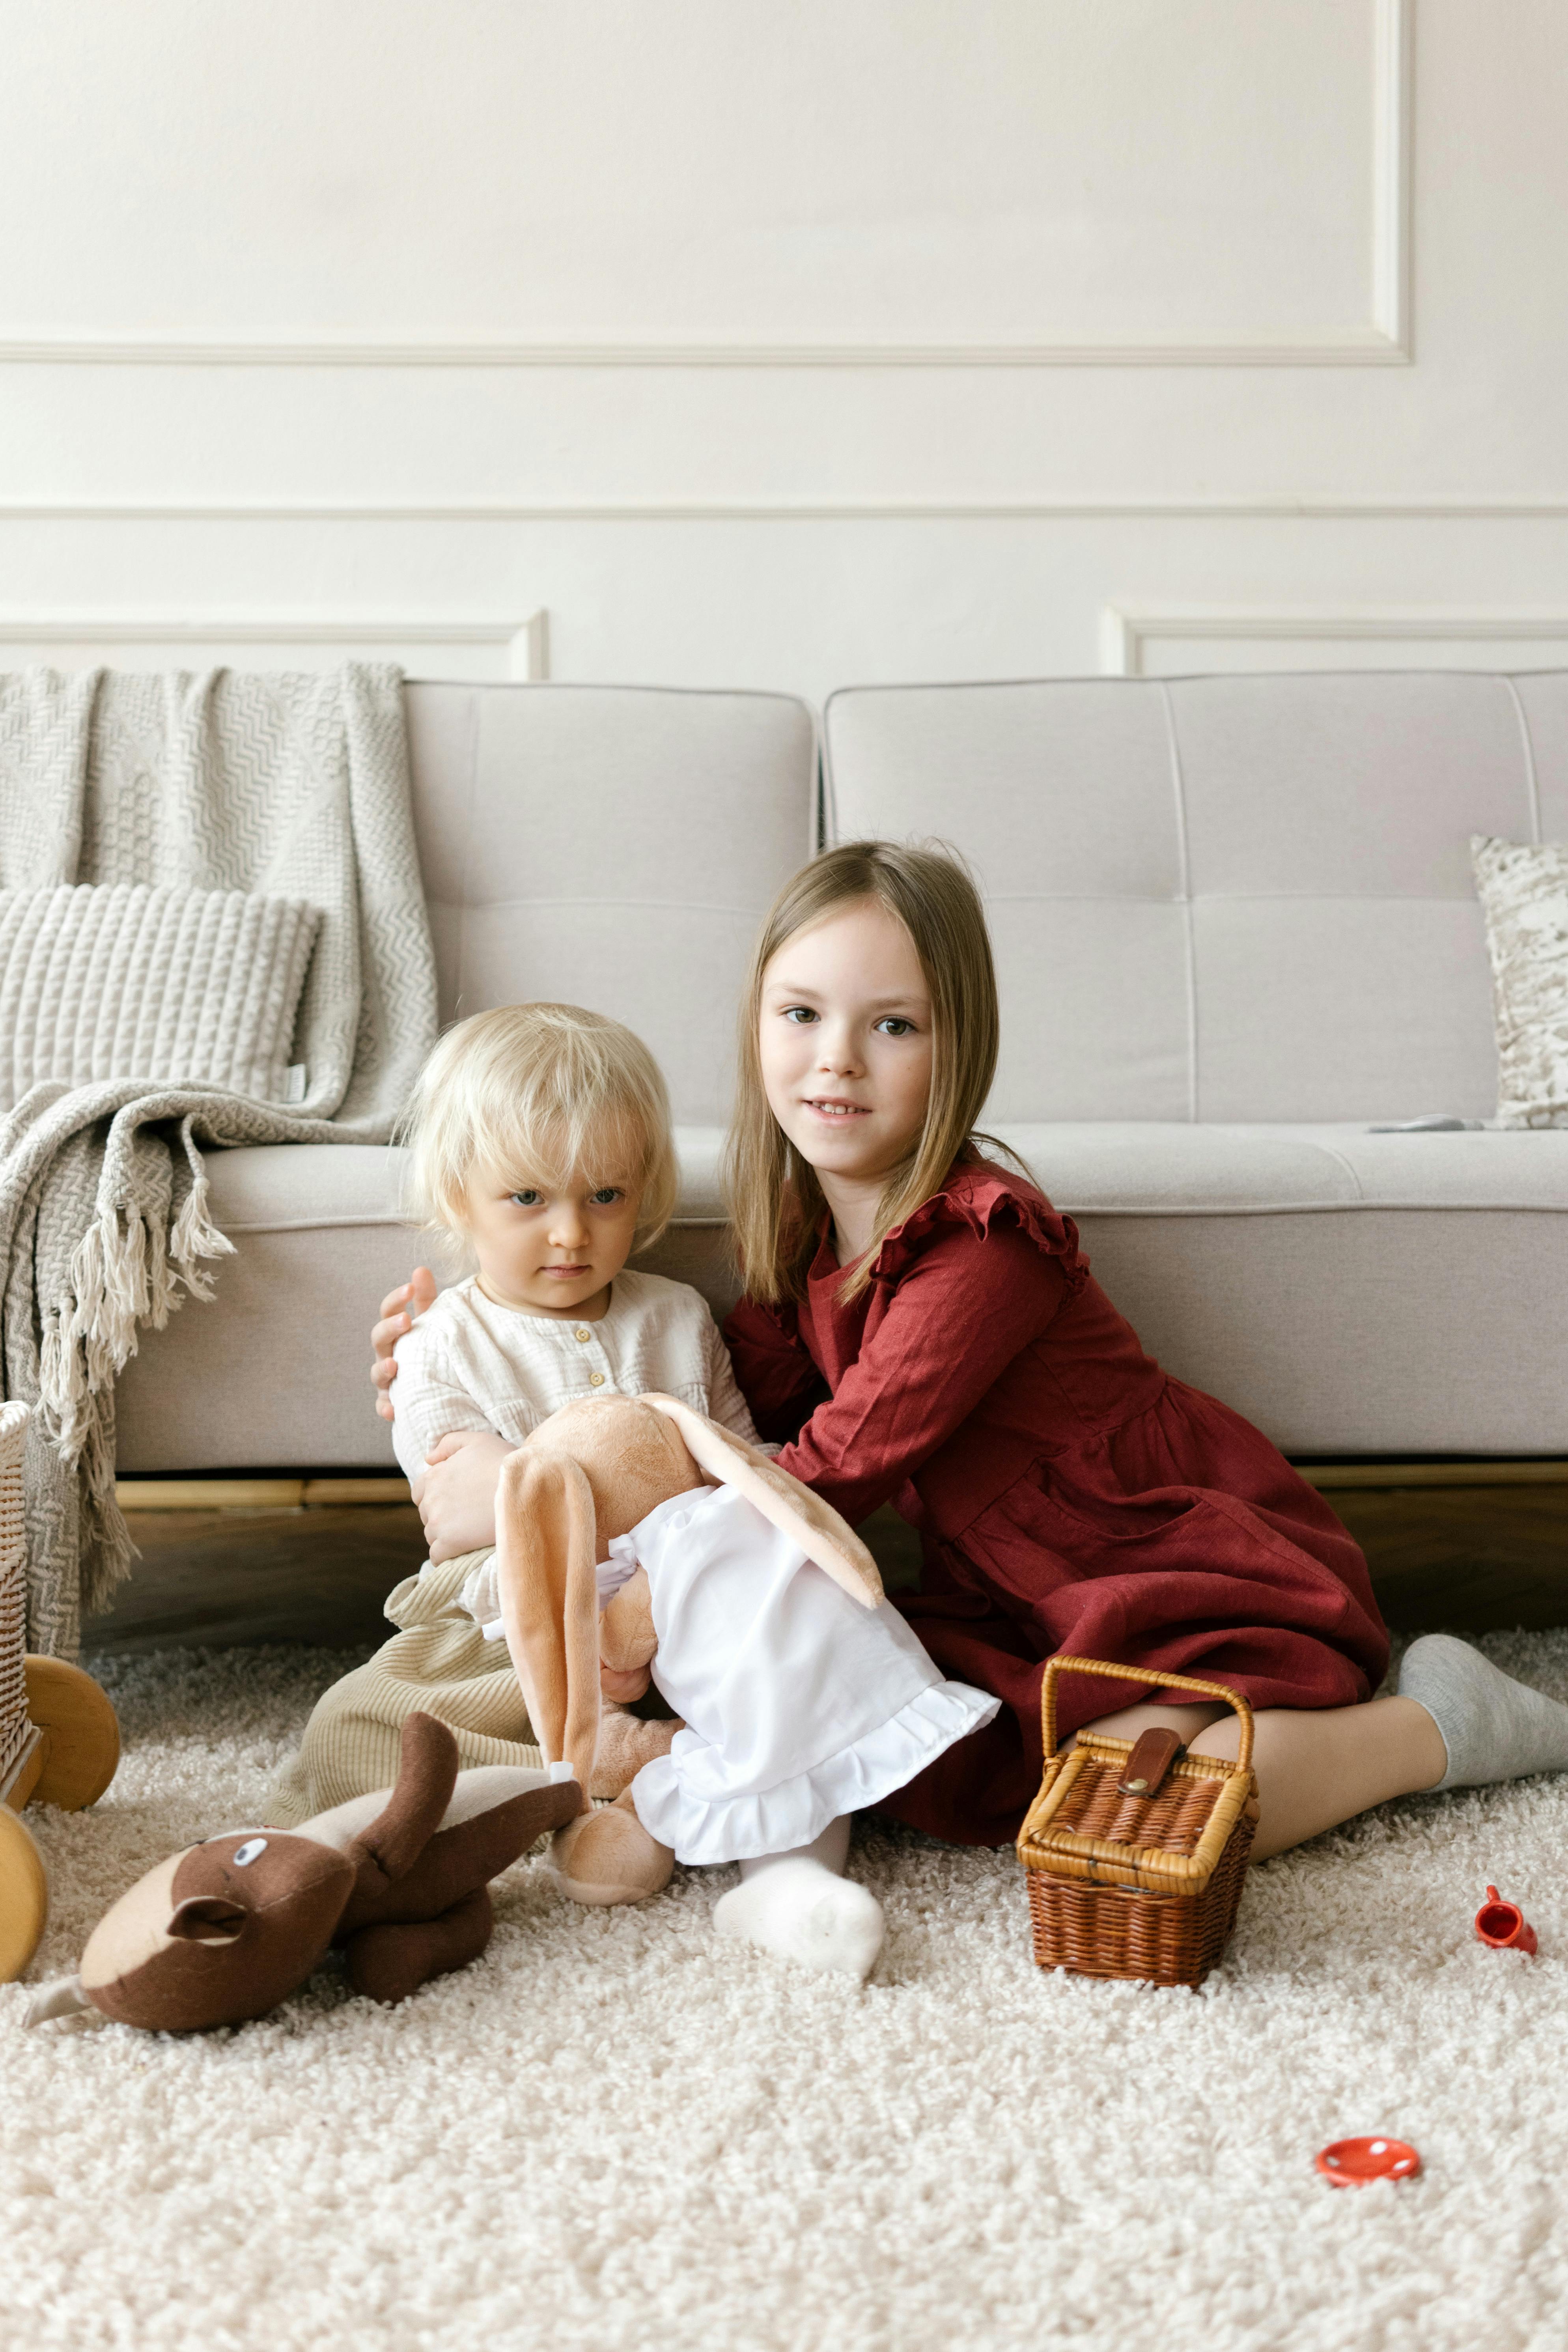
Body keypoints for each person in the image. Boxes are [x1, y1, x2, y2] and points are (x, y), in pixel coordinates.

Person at [374, 845, 1568, 1863]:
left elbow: (827, 1467)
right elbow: (736, 1426)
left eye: (890, 1025)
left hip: (1158, 1552)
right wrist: (467, 1353)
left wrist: (581, 1505)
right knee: (920, 1766)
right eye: (802, 1015)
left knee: (1140, 1820)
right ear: (757, 1031)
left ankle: (1434, 1727)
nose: (836, 1057)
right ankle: (1205, 1731)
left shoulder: (984, 1243)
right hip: (1015, 1592)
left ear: (955, 1048)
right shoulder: (795, 1247)